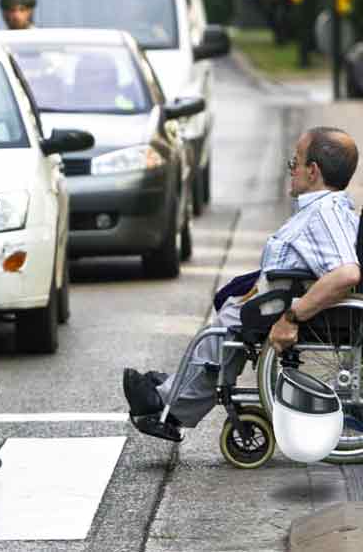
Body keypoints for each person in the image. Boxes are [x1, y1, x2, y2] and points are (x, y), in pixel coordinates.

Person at [123, 127, 361, 440]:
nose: (291, 170)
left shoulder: (325, 213)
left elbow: (347, 273)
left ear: (313, 171)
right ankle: (176, 388)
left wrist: (292, 318)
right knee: (227, 317)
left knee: (221, 329)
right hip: (274, 297)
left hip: (289, 306)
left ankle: (170, 405)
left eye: (296, 162)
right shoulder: (324, 209)